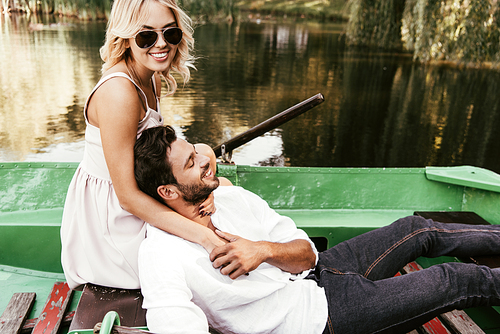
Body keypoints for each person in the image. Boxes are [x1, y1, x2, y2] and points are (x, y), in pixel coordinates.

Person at [135, 125, 500, 334]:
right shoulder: (161, 254)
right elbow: (174, 320)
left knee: (416, 228)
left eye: (197, 152)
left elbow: (306, 253)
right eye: (191, 161)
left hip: (323, 269)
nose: (205, 158)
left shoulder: (230, 198)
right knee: (453, 280)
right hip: (319, 318)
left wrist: (262, 250)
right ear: (167, 191)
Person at [60, 0, 225, 290]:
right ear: (125, 38)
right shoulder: (119, 92)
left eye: (170, 33)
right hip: (114, 219)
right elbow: (126, 196)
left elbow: (160, 156)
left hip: (143, 189)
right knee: (208, 252)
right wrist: (204, 237)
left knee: (222, 190)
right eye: (146, 36)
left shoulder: (152, 78)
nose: (161, 44)